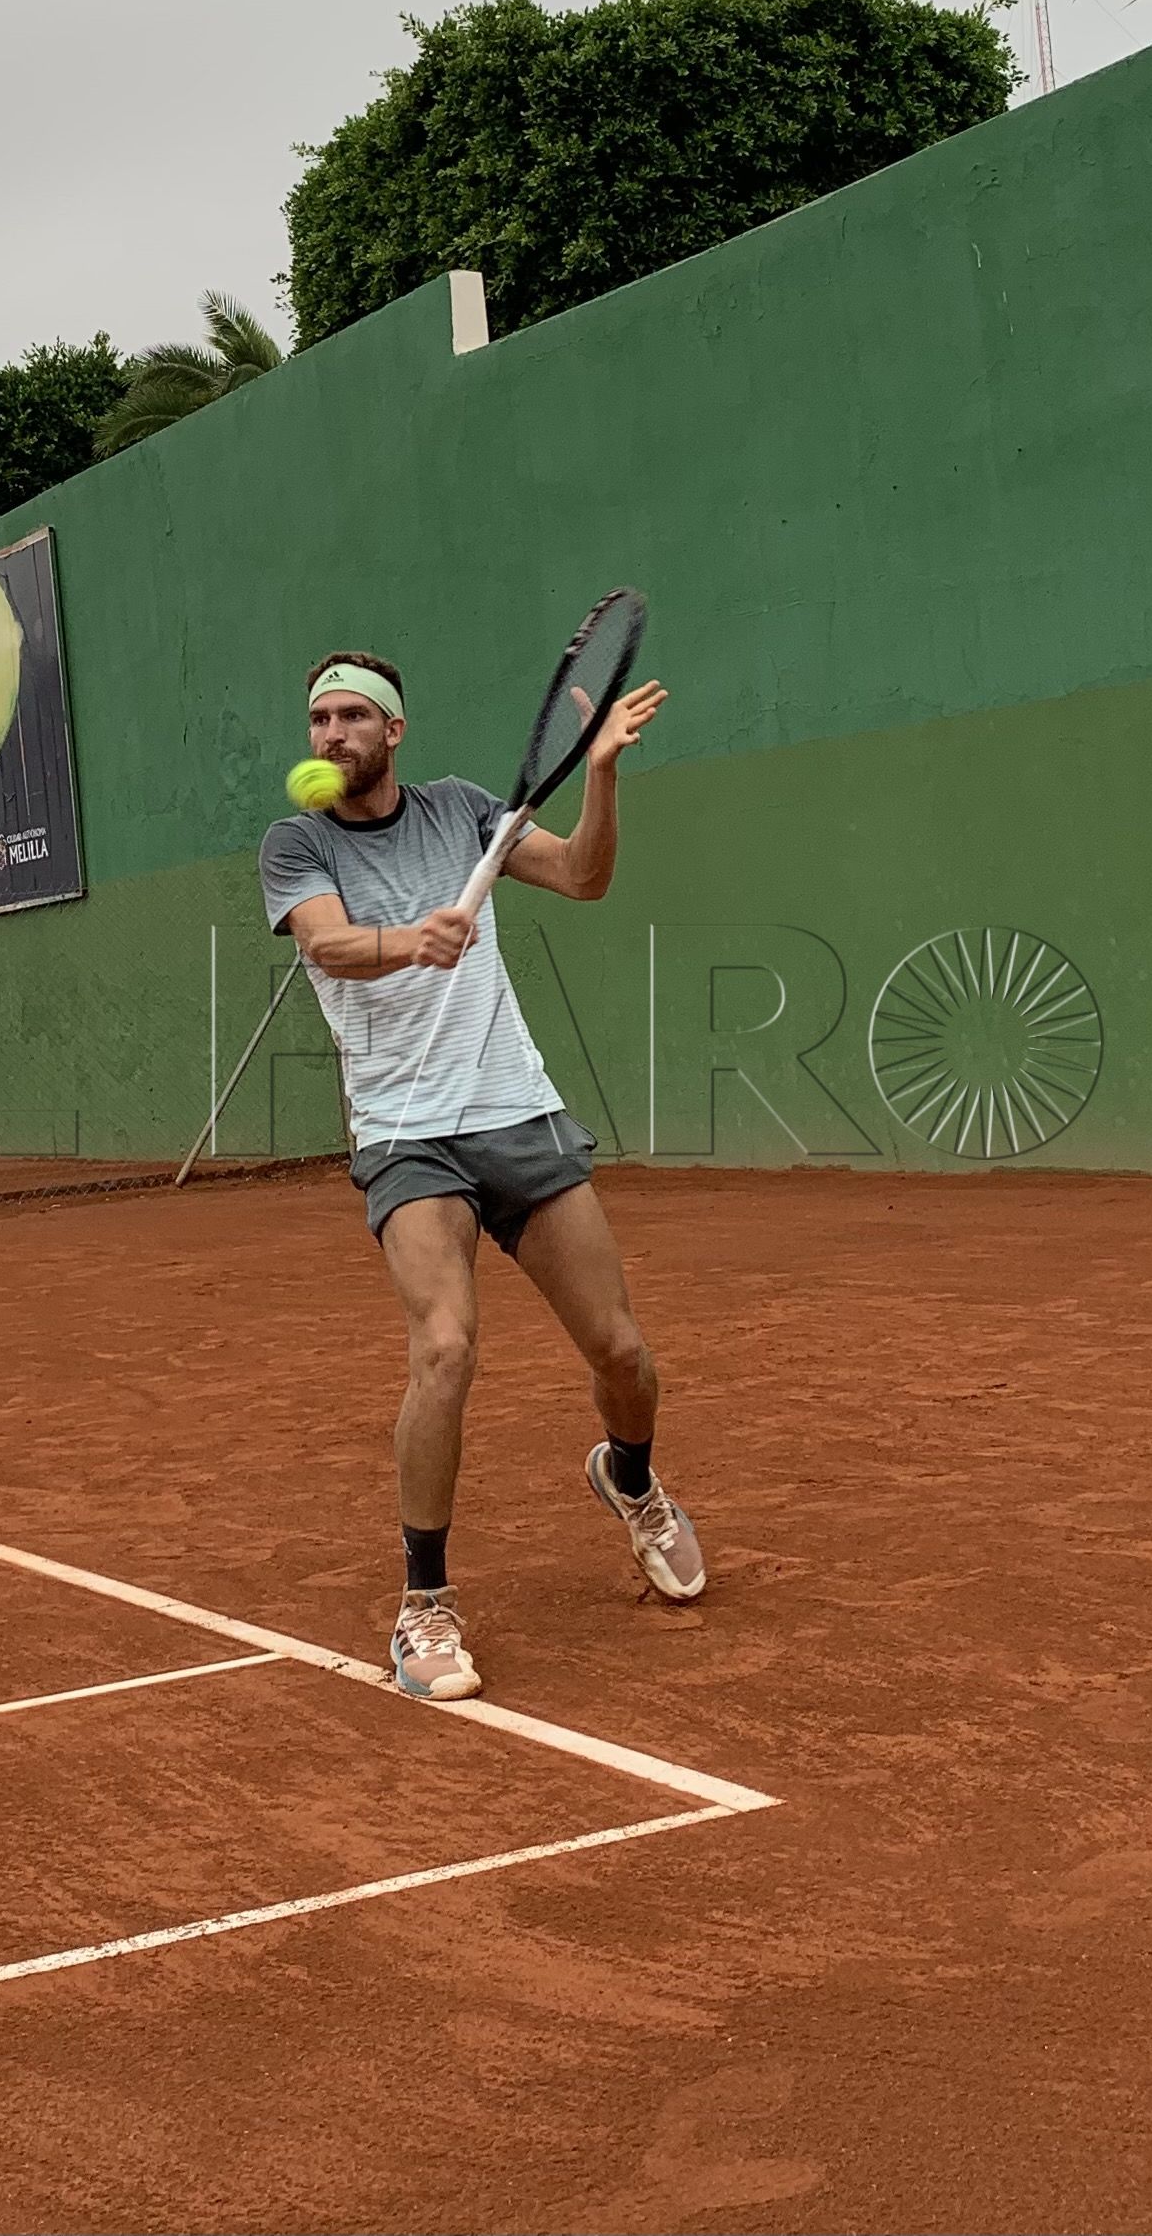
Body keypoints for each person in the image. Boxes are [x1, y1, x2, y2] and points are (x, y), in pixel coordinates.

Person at [258, 651, 705, 1701]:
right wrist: (413, 940)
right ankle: (425, 1601)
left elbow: (585, 875)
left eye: (353, 715)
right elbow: (329, 947)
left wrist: (602, 774)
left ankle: (631, 1480)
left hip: (517, 1112)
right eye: (319, 717)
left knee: (622, 1351)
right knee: (445, 1345)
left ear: (393, 730)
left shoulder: (463, 811)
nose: (331, 733)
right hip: (405, 1135)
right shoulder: (298, 841)